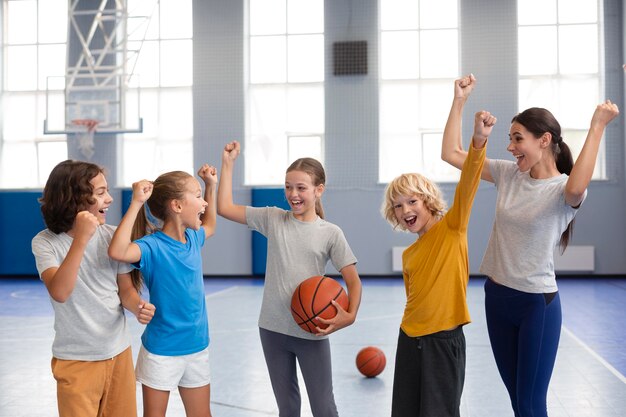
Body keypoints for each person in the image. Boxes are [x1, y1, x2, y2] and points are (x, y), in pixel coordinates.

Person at [441, 74, 620, 417]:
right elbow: (451, 153)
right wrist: (459, 101)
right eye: (509, 138)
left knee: (530, 403)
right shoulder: (509, 175)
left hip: (535, 305)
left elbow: (578, 183)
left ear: (544, 140)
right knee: (517, 401)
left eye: (517, 139)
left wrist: (597, 125)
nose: (509, 147)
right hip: (496, 299)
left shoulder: (564, 192)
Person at [217, 140, 362, 417]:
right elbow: (224, 207)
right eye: (288, 187)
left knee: (323, 407)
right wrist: (228, 163)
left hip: (312, 330)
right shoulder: (273, 218)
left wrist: (350, 314)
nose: (293, 194)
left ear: (319, 191)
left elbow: (353, 281)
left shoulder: (330, 232)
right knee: (288, 407)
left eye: (301, 187)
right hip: (272, 329)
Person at [381, 78, 490, 417]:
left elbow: (469, 180)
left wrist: (477, 138)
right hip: (408, 339)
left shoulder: (452, 228)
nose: (405, 211)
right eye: (398, 207)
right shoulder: (410, 254)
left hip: (443, 342)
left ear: (427, 200)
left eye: (411, 201)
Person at [31, 159, 155, 417]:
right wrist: (82, 237)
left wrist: (137, 306)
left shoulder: (111, 235)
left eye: (107, 191)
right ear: (73, 199)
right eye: (100, 193)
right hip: (76, 360)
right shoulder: (45, 243)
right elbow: (60, 291)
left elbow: (125, 292)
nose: (108, 199)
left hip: (118, 353)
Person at [108, 164, 218, 417]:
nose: (203, 203)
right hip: (162, 351)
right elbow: (117, 252)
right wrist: (136, 203)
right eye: (198, 195)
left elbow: (210, 223)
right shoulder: (151, 246)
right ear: (177, 206)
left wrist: (211, 186)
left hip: (197, 346)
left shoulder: (193, 238)